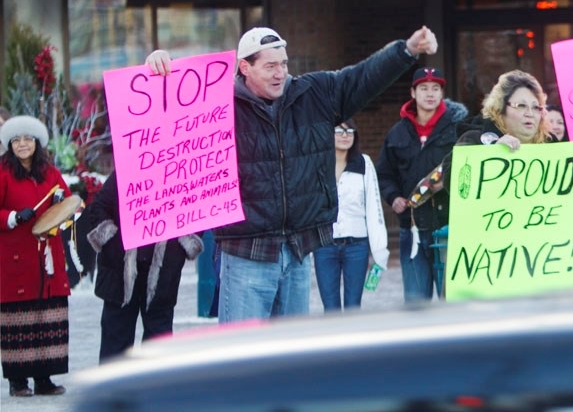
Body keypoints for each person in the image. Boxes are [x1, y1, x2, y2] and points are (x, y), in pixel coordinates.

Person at [146, 25, 436, 323]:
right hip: (246, 255)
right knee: (244, 356)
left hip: (298, 253)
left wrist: (406, 50)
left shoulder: (314, 94)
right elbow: (165, 123)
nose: (280, 73)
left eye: (283, 64)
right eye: (270, 66)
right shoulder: (216, 104)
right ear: (245, 67)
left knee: (288, 358)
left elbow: (361, 78)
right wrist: (157, 74)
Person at [83, 171, 204, 362]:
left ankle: (155, 391)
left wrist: (184, 245)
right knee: (116, 342)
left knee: (158, 343)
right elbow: (98, 207)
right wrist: (112, 240)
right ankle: (115, 391)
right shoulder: (126, 170)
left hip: (163, 272)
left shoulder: (181, 172)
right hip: (120, 272)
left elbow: (197, 211)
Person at [376, 67, 468, 302]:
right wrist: (393, 197)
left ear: (441, 93)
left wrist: (446, 184)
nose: (430, 93)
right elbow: (385, 174)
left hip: (449, 227)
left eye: (436, 88)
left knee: (452, 301)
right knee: (416, 304)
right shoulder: (397, 133)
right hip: (412, 228)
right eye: (424, 88)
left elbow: (469, 170)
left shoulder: (458, 129)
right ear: (413, 93)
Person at [0, 116, 71, 397]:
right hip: (15, 260)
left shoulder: (50, 172)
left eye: (27, 139)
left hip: (47, 258)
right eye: (16, 140)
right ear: (9, 145)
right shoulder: (3, 173)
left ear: (37, 142)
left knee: (47, 317)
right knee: (19, 318)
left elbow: (68, 202)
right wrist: (14, 217)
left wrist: (59, 204)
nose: (22, 144)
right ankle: (18, 381)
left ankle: (44, 377)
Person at [314, 120, 389, 311]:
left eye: (349, 131)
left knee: (353, 307)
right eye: (339, 131)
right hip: (325, 245)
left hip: (356, 246)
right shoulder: (318, 163)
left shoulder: (363, 163)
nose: (345, 135)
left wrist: (380, 250)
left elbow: (374, 207)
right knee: (330, 308)